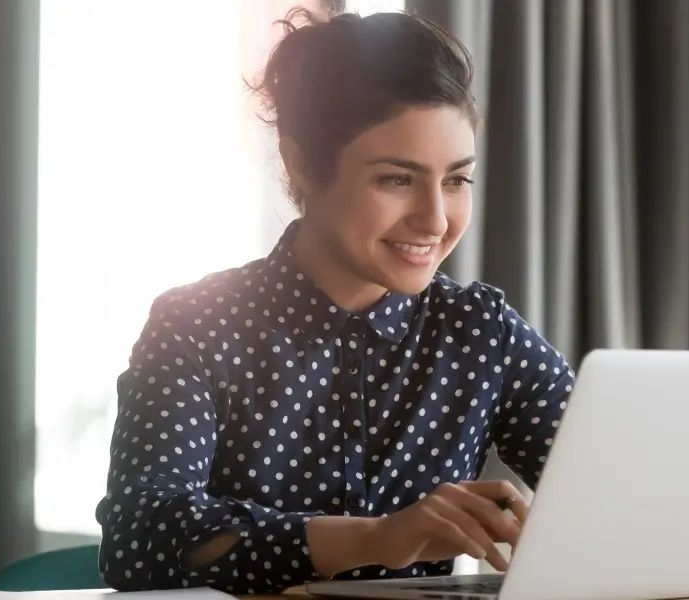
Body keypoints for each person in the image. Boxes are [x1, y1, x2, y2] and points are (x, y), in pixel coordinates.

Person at [95, 7, 574, 595]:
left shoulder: (481, 331)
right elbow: (140, 541)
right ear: (301, 164)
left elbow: (621, 490)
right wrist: (378, 538)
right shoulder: (197, 324)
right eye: (396, 179)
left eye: (455, 180)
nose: (435, 219)